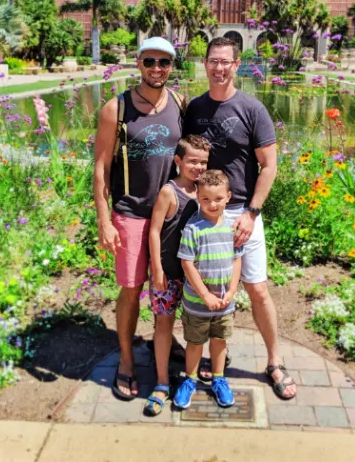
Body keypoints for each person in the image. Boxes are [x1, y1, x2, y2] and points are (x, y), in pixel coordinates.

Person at [184, 36, 297, 400]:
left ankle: (275, 360)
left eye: (226, 62)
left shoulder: (252, 109)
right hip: (204, 213)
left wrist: (251, 213)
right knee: (206, 285)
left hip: (242, 211)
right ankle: (218, 353)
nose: (219, 68)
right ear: (205, 63)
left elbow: (269, 166)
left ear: (237, 65)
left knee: (257, 287)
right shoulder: (195, 108)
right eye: (213, 61)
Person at [94, 36, 185, 401]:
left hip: (171, 215)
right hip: (131, 213)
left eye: (164, 62)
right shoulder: (116, 109)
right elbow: (101, 166)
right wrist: (103, 218)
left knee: (167, 286)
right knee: (132, 289)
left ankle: (165, 337)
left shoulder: (179, 102)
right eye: (150, 61)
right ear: (138, 63)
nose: (157, 69)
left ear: (171, 66)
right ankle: (127, 361)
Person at [143, 134, 212, 416]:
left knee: (196, 325)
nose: (198, 167)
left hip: (194, 275)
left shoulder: (204, 192)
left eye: (203, 163)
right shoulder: (169, 193)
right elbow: (155, 230)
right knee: (163, 324)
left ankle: (193, 372)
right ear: (178, 161)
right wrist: (156, 268)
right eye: (192, 161)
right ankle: (161, 381)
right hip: (168, 273)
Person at [173, 170, 244, 409]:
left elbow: (237, 259)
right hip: (197, 303)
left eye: (218, 199)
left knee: (219, 341)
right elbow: (187, 263)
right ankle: (190, 380)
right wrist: (205, 295)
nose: (212, 204)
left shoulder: (232, 228)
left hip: (224, 302)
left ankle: (219, 378)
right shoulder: (194, 228)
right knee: (195, 343)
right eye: (205, 199)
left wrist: (232, 291)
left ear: (228, 197)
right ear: (198, 198)